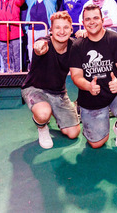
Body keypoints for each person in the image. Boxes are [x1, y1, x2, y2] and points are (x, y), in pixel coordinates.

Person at [69, 4, 117, 149]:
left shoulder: (116, 39)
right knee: (96, 143)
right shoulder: (77, 46)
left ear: (102, 20)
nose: (92, 22)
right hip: (92, 94)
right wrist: (88, 86)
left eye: (96, 18)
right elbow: (76, 76)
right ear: (83, 23)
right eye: (88, 19)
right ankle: (98, 122)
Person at [21, 11, 81, 149]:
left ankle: (53, 111)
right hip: (35, 89)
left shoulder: (74, 46)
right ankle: (42, 127)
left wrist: (86, 36)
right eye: (57, 27)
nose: (62, 31)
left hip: (58, 92)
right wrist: (38, 47)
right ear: (51, 30)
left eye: (66, 27)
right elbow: (39, 47)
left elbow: (89, 45)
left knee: (73, 133)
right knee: (43, 114)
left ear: (71, 30)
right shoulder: (44, 43)